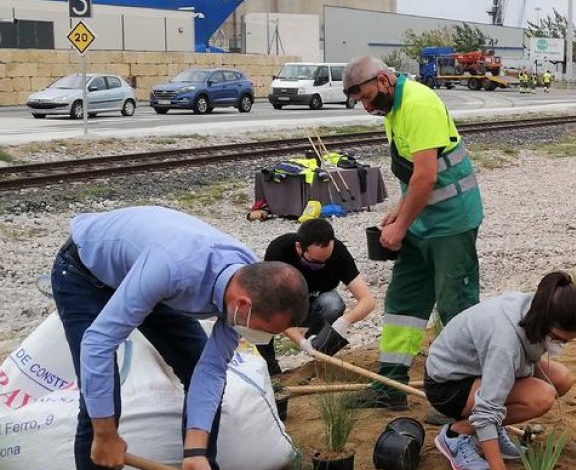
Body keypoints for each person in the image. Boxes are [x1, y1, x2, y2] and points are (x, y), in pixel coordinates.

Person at [51, 206, 309, 470]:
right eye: (264, 329)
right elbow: (97, 344)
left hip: (148, 276)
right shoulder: (172, 268)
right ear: (242, 305)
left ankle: (198, 463)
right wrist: (105, 434)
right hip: (84, 273)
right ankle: (100, 446)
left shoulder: (251, 284)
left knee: (196, 362)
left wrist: (195, 449)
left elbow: (210, 370)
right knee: (100, 393)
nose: (262, 338)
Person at [342, 55, 485, 409]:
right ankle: (391, 386)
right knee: (403, 302)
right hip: (422, 222)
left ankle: (463, 399)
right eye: (359, 100)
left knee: (457, 307)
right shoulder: (393, 110)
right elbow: (411, 175)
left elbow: (427, 176)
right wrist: (399, 213)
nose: (365, 106)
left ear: (384, 81)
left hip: (451, 223)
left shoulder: (419, 104)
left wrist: (401, 225)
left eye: (366, 96)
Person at [425, 271, 576, 470]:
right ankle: (456, 433)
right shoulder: (505, 342)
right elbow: (487, 408)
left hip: (479, 368)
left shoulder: (534, 307)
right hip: (448, 385)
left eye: (567, 340)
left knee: (561, 379)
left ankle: (493, 429)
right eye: (557, 338)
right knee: (541, 396)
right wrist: (497, 466)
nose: (560, 345)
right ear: (542, 322)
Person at [257, 217, 376, 377]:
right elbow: (273, 307)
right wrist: (299, 341)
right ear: (299, 248)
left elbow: (368, 301)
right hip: (285, 305)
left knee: (333, 304)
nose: (321, 265)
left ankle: (319, 355)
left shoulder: (338, 253)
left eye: (326, 260)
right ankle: (271, 371)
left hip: (316, 307)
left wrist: (344, 321)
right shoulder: (280, 251)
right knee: (257, 306)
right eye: (314, 261)